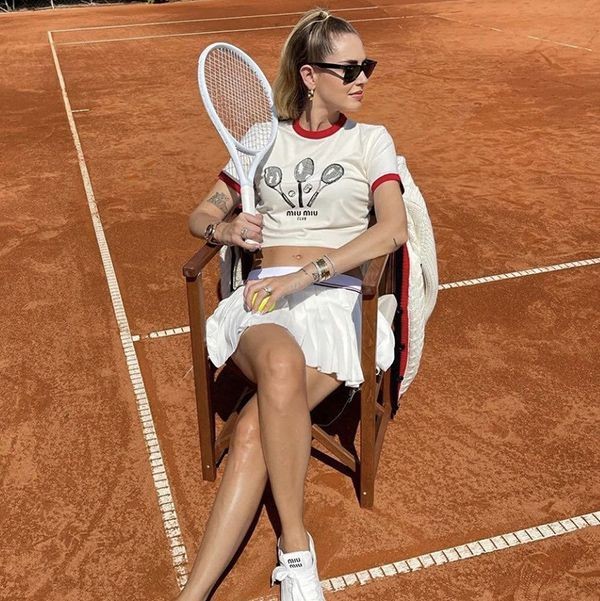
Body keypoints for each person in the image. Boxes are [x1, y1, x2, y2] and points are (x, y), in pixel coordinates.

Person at [179, 7, 408, 601]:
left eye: (367, 65)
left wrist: (306, 275)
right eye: (349, 68)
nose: (362, 78)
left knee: (253, 431)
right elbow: (201, 214)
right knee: (279, 362)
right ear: (309, 76)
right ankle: (297, 548)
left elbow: (392, 230)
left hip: (336, 303)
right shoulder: (261, 140)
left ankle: (196, 592)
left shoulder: (372, 140)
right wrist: (224, 231)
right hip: (264, 300)